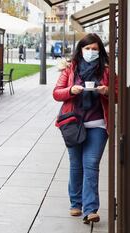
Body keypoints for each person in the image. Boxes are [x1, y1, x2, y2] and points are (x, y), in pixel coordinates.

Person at [53, 33, 117, 224]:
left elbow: (119, 94)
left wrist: (107, 91)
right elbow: (56, 93)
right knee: (76, 165)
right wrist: (70, 91)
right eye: (87, 48)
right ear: (81, 50)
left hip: (98, 124)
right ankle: (76, 203)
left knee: (91, 164)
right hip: (73, 124)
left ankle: (90, 209)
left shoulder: (107, 70)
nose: (91, 52)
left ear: (100, 51)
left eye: (95, 49)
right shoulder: (70, 69)